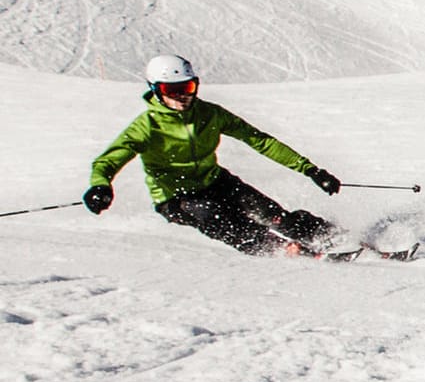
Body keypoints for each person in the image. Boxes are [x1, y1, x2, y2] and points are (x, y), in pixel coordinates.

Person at [84, 54, 345, 258]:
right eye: (171, 89)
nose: (182, 96)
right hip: (176, 198)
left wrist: (311, 170)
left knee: (274, 215)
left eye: (187, 87)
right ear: (155, 89)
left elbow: (259, 140)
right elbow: (109, 160)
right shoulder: (147, 127)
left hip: (217, 182)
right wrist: (100, 185)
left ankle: (334, 237)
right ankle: (279, 249)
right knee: (216, 215)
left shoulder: (210, 114)